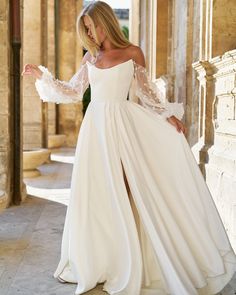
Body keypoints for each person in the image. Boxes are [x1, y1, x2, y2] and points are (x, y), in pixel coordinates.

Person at [22, 1, 236, 295]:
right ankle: (102, 259)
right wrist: (42, 76)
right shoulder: (90, 58)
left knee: (127, 187)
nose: (88, 32)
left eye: (90, 26)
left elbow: (147, 92)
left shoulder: (132, 53)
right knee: (97, 191)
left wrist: (168, 116)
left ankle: (134, 258)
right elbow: (72, 91)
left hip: (122, 125)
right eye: (84, 28)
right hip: (94, 130)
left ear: (105, 22)